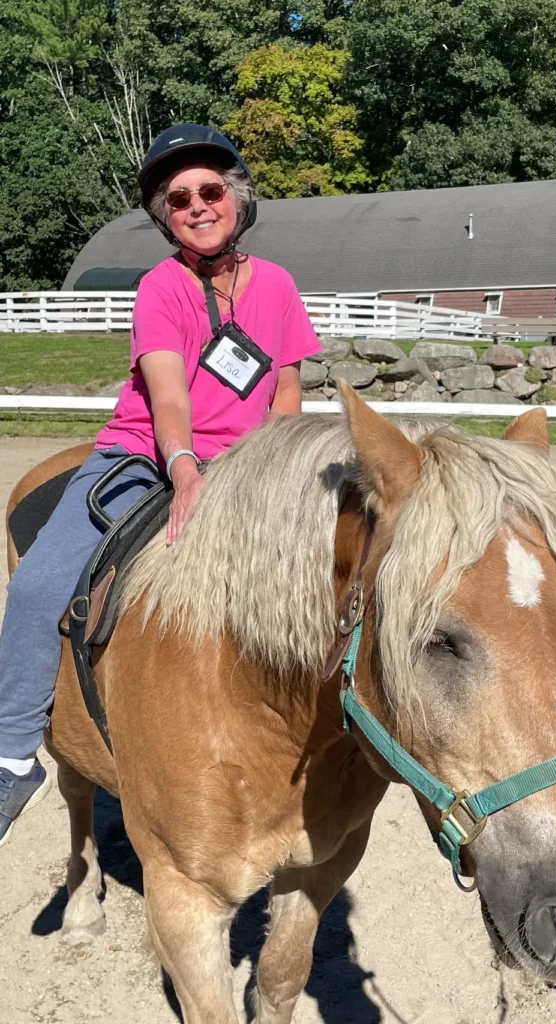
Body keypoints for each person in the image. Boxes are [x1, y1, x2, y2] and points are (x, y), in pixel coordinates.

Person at [0, 123, 322, 846]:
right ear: (163, 215)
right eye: (178, 199)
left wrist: (278, 470)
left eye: (211, 190)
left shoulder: (276, 285)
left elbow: (288, 388)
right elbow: (167, 395)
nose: (197, 206)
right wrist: (182, 468)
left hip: (250, 463)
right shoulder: (160, 286)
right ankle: (11, 752)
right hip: (144, 454)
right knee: (37, 583)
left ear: (237, 197)